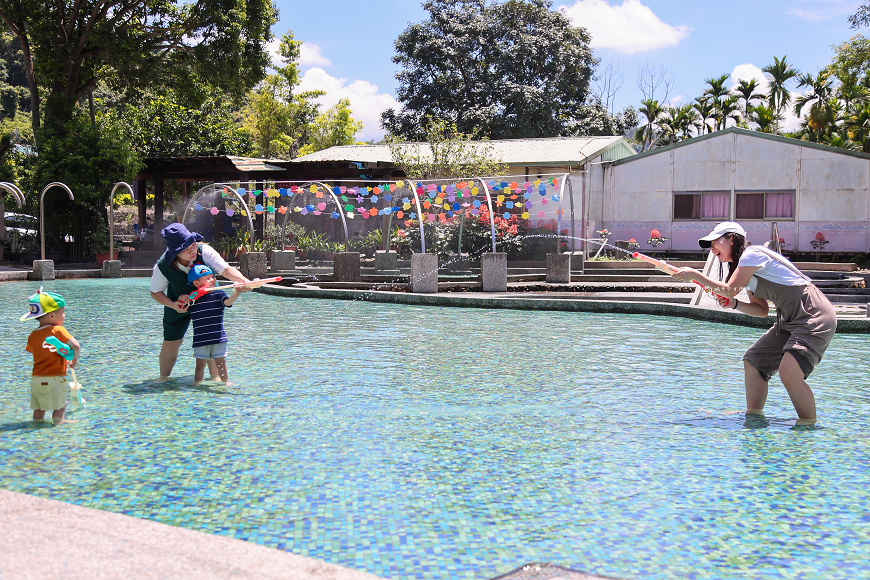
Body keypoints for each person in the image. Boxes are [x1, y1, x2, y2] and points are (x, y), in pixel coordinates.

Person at [672, 222, 836, 425]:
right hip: (789, 319)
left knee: (789, 371)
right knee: (753, 361)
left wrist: (696, 276)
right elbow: (761, 310)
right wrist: (735, 304)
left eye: (715, 241)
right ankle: (754, 416)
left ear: (731, 239)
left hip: (813, 313)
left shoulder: (753, 254)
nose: (711, 248)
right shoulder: (747, 272)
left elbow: (729, 289)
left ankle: (808, 427)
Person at [149, 223, 250, 379]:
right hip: (179, 304)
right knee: (171, 341)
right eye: (186, 249)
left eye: (193, 245)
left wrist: (243, 281)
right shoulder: (163, 266)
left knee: (211, 336)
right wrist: (172, 305)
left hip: (209, 300)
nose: (192, 251)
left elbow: (226, 269)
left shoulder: (205, 251)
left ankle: (215, 380)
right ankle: (163, 379)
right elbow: (155, 292)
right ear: (175, 252)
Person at [21, 289, 81, 424]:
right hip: (55, 377)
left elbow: (31, 350)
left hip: (36, 378)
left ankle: (37, 423)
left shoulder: (33, 334)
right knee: (61, 403)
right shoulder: (58, 330)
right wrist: (75, 358)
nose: (64, 315)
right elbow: (76, 346)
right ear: (52, 316)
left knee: (39, 406)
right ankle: (59, 420)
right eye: (63, 312)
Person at [186, 265, 244, 383]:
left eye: (213, 277)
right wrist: (185, 300)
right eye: (207, 278)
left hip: (218, 337)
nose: (212, 280)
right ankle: (197, 385)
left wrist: (237, 293)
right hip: (200, 339)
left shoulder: (218, 294)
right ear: (196, 283)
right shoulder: (193, 299)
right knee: (199, 366)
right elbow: (183, 308)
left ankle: (225, 382)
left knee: (221, 363)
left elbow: (228, 303)